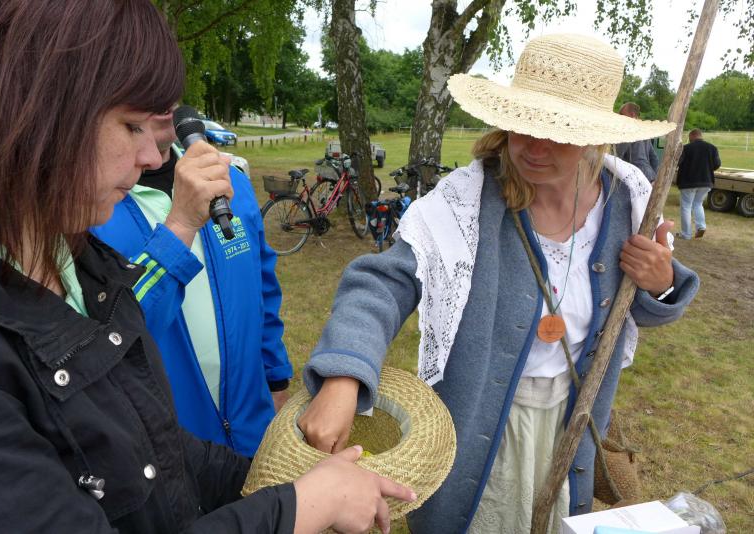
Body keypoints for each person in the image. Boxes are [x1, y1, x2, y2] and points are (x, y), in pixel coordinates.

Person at [0, 1, 414, 532]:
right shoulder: (92, 219)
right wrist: (179, 228)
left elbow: (150, 444)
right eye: (133, 123)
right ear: (34, 110)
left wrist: (276, 405)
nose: (153, 155)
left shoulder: (78, 249)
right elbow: (123, 337)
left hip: (244, 431)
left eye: (164, 115)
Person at [297, 34, 699, 534]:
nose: (534, 146)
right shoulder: (466, 203)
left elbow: (644, 304)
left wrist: (660, 283)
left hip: (571, 421)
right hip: (480, 428)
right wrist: (343, 376)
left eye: (559, 132)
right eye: (524, 125)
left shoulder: (627, 200)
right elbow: (381, 284)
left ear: (593, 137)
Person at [92, 106, 292, 458]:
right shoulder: (91, 209)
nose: (162, 101)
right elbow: (109, 341)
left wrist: (276, 378)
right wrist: (179, 226)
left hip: (253, 431)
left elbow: (263, 288)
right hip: (168, 448)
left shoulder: (231, 181)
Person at [676, 128, 721, 239]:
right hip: (706, 181)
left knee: (686, 206)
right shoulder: (712, 148)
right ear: (701, 136)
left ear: (692, 136)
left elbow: (678, 162)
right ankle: (701, 226)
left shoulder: (686, 148)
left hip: (688, 182)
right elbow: (717, 164)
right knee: (698, 204)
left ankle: (686, 234)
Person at [615, 102, 660, 182]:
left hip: (635, 178)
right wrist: (654, 176)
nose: (619, 116)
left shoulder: (627, 131)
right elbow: (654, 158)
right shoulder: (644, 132)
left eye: (622, 114)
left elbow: (617, 156)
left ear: (632, 114)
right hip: (649, 176)